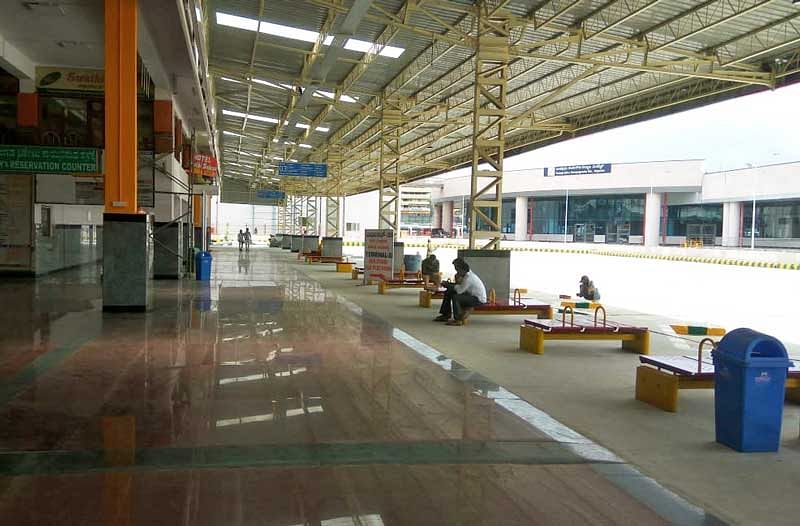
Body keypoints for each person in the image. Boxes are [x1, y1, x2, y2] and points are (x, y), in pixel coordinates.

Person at [434, 258, 487, 326]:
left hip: (478, 299)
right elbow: (460, 287)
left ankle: (458, 319)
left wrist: (449, 285)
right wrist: (450, 285)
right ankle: (445, 315)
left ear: (462, 269)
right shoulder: (466, 275)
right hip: (471, 295)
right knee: (449, 292)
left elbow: (459, 291)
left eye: (457, 269)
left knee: (456, 297)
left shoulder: (469, 278)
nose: (456, 271)